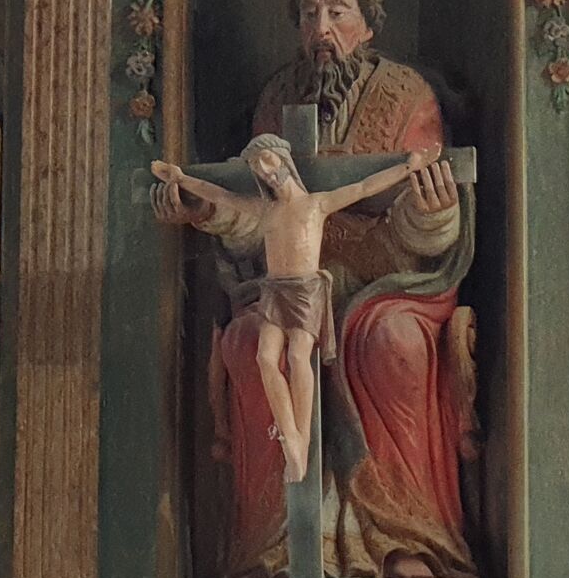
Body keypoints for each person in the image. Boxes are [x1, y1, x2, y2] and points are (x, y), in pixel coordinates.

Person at [153, 0, 483, 578]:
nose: (321, 30)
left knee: (392, 343)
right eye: (309, 13)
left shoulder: (407, 97)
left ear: (368, 20)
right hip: (290, 283)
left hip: (388, 283)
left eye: (337, 11)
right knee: (248, 344)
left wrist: (430, 213)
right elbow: (260, 215)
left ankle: (405, 535)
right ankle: (275, 546)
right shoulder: (278, 101)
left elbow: (427, 215)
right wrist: (209, 212)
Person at [152, 138, 439, 482]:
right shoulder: (266, 210)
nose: (265, 171)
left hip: (304, 290)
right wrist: (181, 178)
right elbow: (221, 195)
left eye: (267, 160)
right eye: (257, 167)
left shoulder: (316, 204)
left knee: (299, 357)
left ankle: (300, 444)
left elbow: (364, 187)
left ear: (284, 160)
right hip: (275, 290)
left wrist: (409, 166)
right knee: (265, 358)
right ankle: (289, 434)